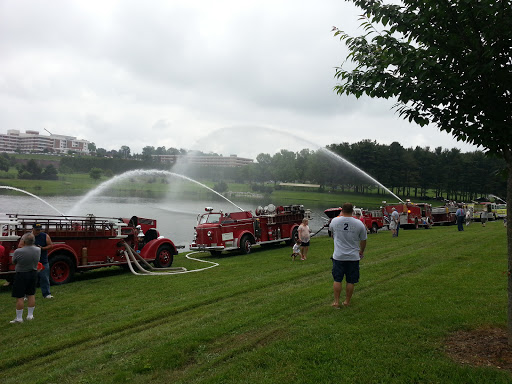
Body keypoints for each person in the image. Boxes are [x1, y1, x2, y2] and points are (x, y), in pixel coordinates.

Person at [329, 202, 367, 308]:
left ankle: (336, 302)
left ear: (342, 210)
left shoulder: (335, 221)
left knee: (337, 279)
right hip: (353, 257)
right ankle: (347, 301)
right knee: (350, 280)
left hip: (338, 256)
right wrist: (361, 251)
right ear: (353, 211)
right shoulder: (359, 223)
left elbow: (332, 234)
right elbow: (363, 240)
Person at [10, 233, 40, 323]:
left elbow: (14, 261)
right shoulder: (38, 250)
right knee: (31, 294)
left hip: (21, 274)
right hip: (33, 273)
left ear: (23, 241)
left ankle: (19, 318)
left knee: (20, 296)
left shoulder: (18, 251)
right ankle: (30, 315)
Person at [19, 223, 53, 299]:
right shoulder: (27, 236)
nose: (38, 231)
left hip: (42, 260)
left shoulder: (45, 236)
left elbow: (50, 245)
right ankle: (26, 295)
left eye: (39, 230)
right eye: (36, 230)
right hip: (30, 261)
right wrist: (31, 248)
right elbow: (20, 245)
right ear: (32, 229)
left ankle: (47, 294)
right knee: (28, 279)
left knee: (44, 278)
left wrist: (43, 248)